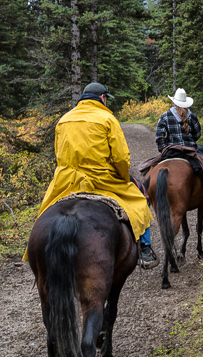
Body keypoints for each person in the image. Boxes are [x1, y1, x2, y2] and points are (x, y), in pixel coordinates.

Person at [22, 82, 158, 269]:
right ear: (102, 98)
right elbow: (120, 158)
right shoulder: (108, 119)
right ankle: (145, 249)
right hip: (101, 178)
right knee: (139, 202)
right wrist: (123, 178)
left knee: (45, 210)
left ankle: (33, 250)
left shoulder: (64, 120)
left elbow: (59, 154)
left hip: (66, 180)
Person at [155, 88, 203, 207]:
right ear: (185, 103)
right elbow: (197, 135)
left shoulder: (165, 116)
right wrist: (188, 142)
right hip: (190, 152)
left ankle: (147, 194)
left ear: (173, 102)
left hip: (171, 152)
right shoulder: (192, 116)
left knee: (150, 169)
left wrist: (164, 150)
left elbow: (159, 137)